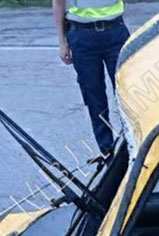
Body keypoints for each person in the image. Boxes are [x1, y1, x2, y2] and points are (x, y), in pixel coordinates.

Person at [53, 0, 129, 157]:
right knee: (94, 97)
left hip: (115, 31)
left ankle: (132, 147)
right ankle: (107, 152)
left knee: (127, 95)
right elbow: (58, 3)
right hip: (82, 35)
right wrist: (62, 42)